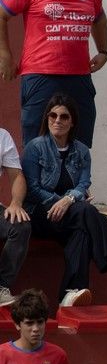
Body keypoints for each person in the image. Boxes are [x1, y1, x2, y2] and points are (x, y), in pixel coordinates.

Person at [23, 95, 107, 307]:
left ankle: (71, 292)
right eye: (53, 115)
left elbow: (83, 184)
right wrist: (61, 202)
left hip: (71, 216)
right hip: (40, 214)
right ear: (46, 118)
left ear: (72, 122)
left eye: (64, 116)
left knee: (81, 230)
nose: (57, 120)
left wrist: (68, 201)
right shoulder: (35, 148)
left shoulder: (81, 151)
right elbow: (33, 189)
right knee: (85, 212)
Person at [0, 0, 107, 148]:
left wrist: (104, 51)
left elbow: (99, 18)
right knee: (36, 146)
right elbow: (1, 16)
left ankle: (76, 185)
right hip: (41, 77)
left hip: (79, 78)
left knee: (79, 146)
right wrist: (5, 55)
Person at [0, 127, 31, 307]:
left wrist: (16, 203)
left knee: (20, 224)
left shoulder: (2, 136)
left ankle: (1, 286)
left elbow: (17, 175)